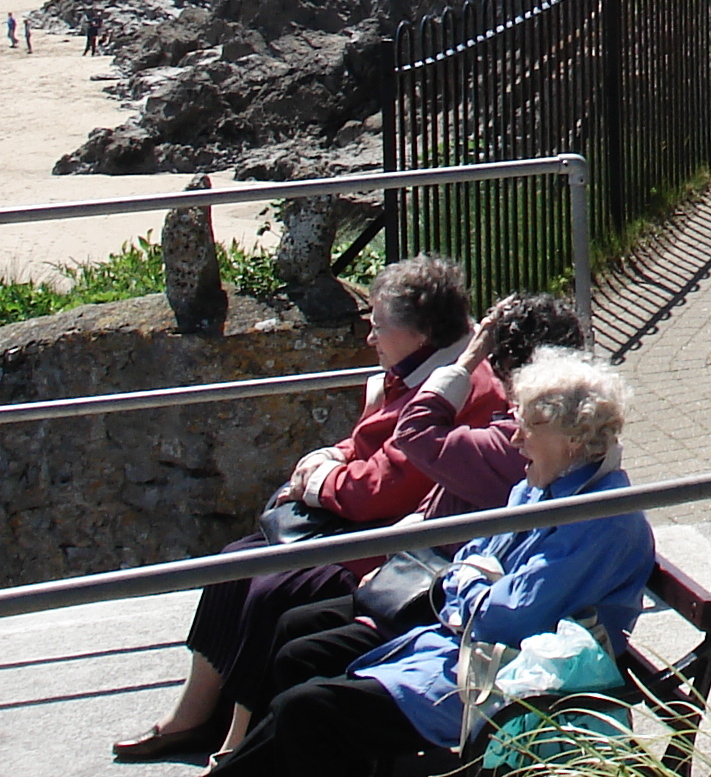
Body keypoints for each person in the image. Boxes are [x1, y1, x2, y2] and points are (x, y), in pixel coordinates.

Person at [210, 352, 652, 777]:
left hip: (504, 683)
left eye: (530, 426)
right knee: (301, 670)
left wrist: (465, 592)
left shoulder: (598, 520)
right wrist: (470, 589)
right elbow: (466, 564)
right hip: (462, 653)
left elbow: (504, 617)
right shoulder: (537, 489)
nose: (515, 439)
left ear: (574, 439)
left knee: (308, 710)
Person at [112, 258, 482, 764]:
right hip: (356, 520)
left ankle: (239, 742)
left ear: (419, 334)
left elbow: (385, 488)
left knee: (270, 590)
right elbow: (368, 446)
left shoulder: (457, 387)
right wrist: (332, 458)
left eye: (379, 327)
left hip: (383, 537)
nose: (370, 339)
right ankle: (194, 716)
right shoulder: (415, 370)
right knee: (232, 564)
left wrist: (318, 482)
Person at [241, 294, 589, 718]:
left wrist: (468, 357)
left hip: (433, 600)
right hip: (426, 578)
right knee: (281, 617)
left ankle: (240, 742)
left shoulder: (510, 445)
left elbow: (415, 433)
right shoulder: (521, 438)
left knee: (289, 636)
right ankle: (236, 739)